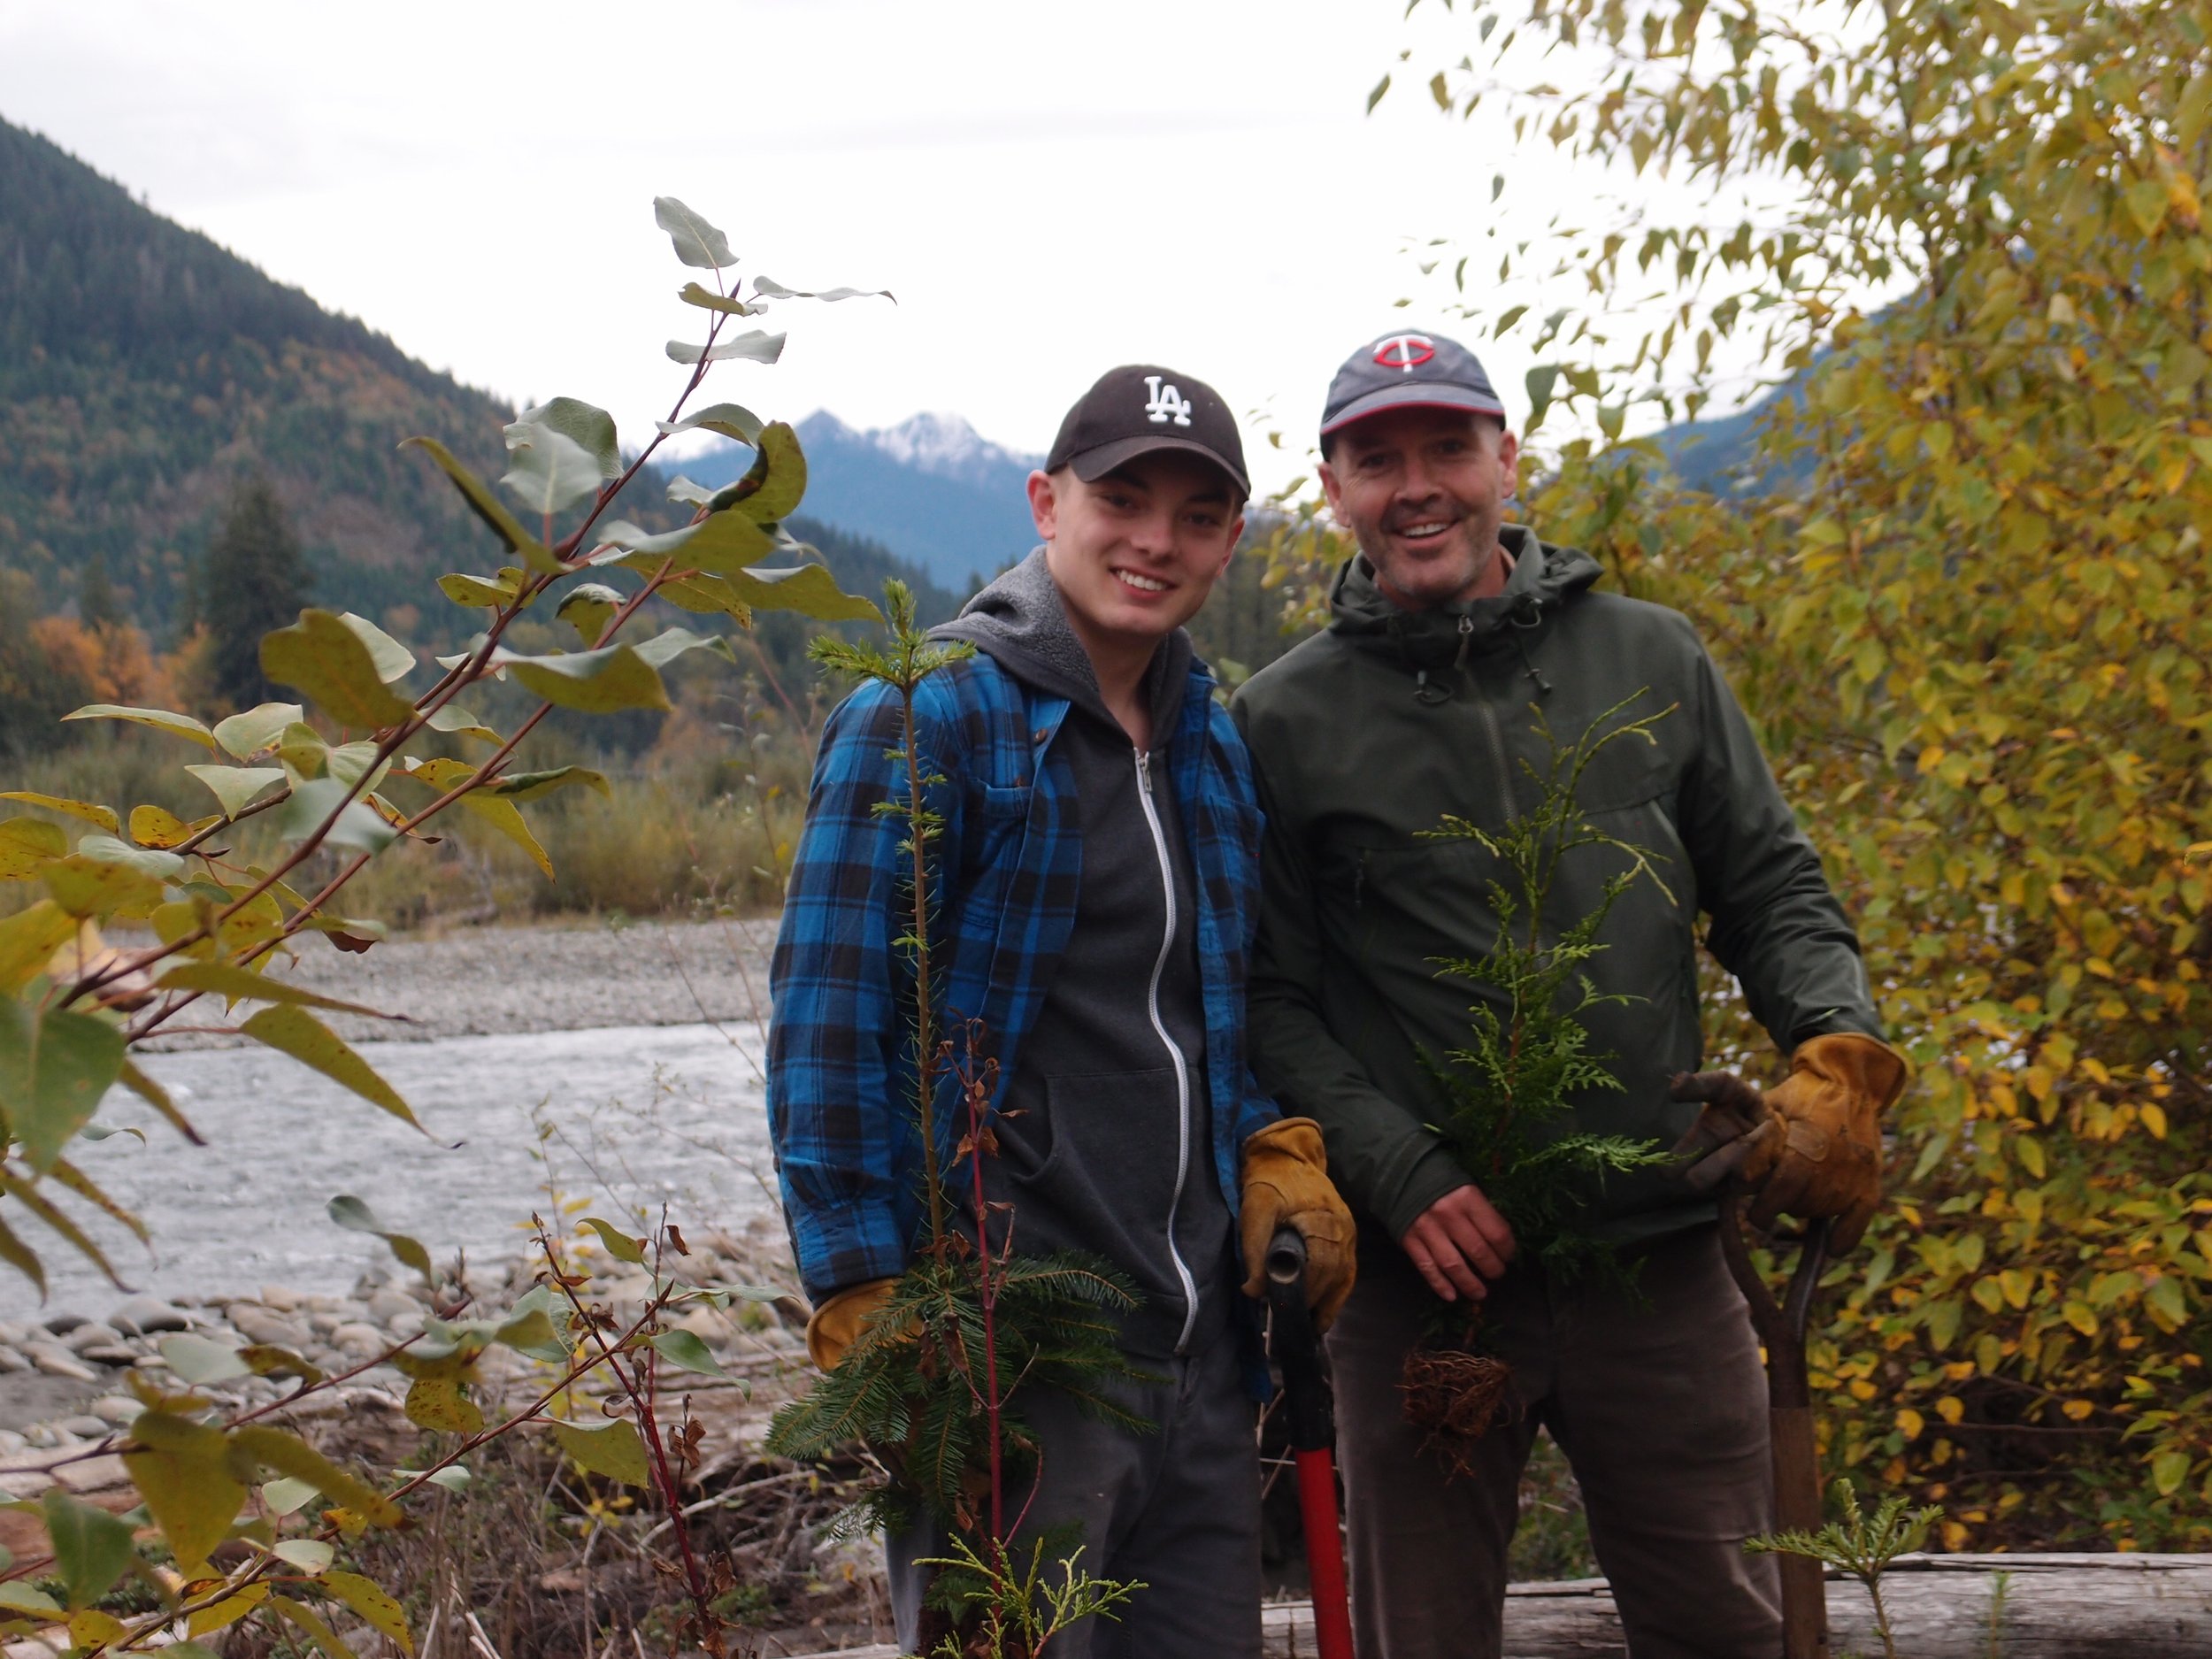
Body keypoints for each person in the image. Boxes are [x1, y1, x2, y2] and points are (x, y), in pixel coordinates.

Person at [1231, 329, 1908, 1659]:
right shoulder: (1279, 721)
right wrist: (1402, 1172)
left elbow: (1771, 889)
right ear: (1332, 489)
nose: (1416, 486)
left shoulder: (1651, 660)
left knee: (1732, 1625)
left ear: (1507, 459)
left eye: (1447, 448)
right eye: (1379, 460)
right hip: (1420, 1300)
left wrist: (1838, 1052)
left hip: (1663, 1260)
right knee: (1421, 1638)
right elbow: (1265, 999)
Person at [768, 364, 1357, 1658]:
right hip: (1014, 1372)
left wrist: (1269, 1144)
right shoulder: (930, 718)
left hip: (1202, 1363)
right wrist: (867, 1288)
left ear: (1230, 541)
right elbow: (828, 1026)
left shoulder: (1207, 734)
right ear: (1047, 501)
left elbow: (1213, 1007)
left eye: (1197, 515)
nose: (1156, 540)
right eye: (1122, 499)